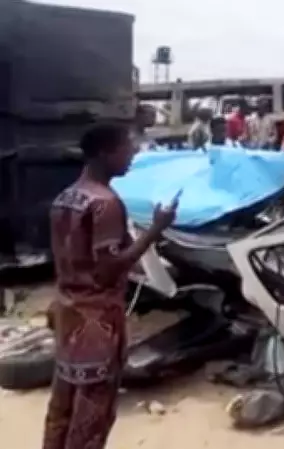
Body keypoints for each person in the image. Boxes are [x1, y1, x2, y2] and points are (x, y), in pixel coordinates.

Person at [43, 124, 177, 449]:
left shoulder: (66, 198)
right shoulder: (105, 203)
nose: (132, 154)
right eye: (126, 148)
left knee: (62, 407)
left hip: (67, 314)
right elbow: (108, 269)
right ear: (105, 152)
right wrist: (155, 230)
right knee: (92, 416)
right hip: (97, 322)